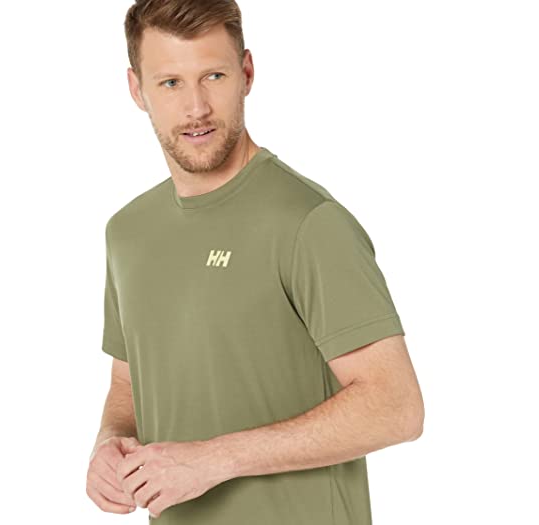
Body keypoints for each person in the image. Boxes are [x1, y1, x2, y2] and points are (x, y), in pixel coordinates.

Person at [86, 1, 424, 523]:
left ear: (246, 73)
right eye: (171, 83)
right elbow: (129, 384)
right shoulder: (128, 232)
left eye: (213, 76)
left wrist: (214, 460)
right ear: (137, 89)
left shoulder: (308, 222)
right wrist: (110, 444)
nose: (196, 107)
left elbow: (396, 407)